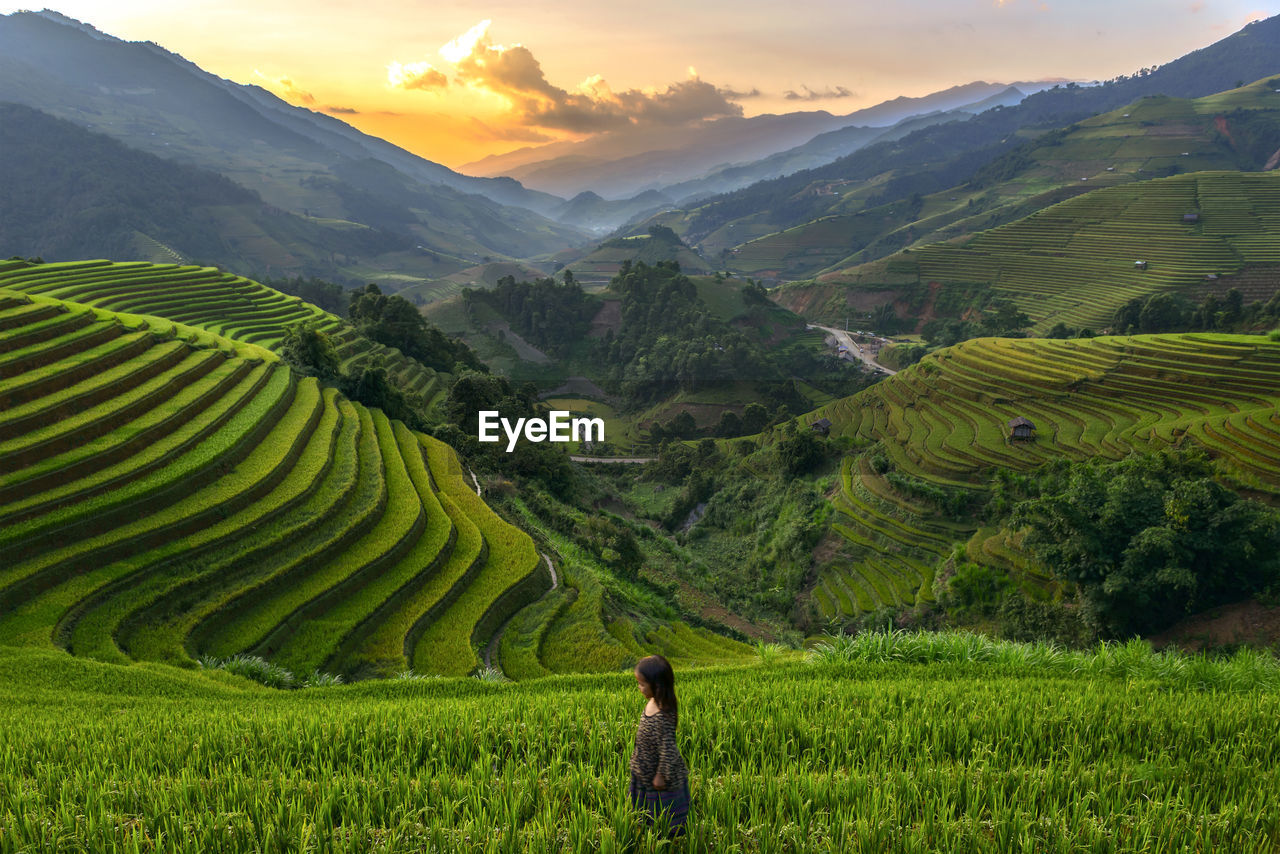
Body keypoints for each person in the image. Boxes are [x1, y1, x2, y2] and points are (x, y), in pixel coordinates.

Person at [629, 654, 690, 837]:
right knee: (644, 807)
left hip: (658, 775)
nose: (639, 688)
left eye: (642, 684)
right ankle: (647, 830)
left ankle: (669, 836)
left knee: (665, 811)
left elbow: (668, 748)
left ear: (657, 686)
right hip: (644, 768)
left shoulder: (664, 714)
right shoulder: (652, 702)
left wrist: (661, 775)